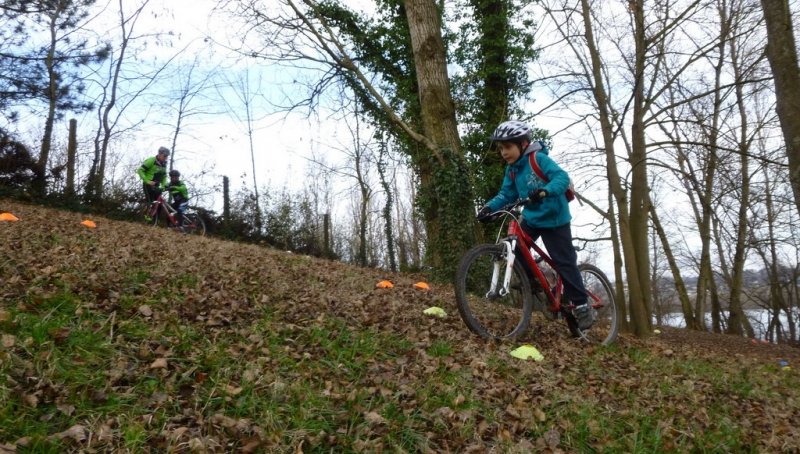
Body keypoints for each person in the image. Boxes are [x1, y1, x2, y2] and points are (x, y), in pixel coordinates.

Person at [477, 120, 593, 331]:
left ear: (522, 144)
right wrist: (488, 208)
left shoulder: (538, 159)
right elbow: (506, 194)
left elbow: (561, 177)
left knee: (564, 262)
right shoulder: (511, 170)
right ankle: (533, 282)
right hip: (532, 218)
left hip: (555, 219)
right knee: (517, 247)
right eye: (501, 148)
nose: (504, 152)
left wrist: (545, 191)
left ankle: (582, 304)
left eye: (508, 147)